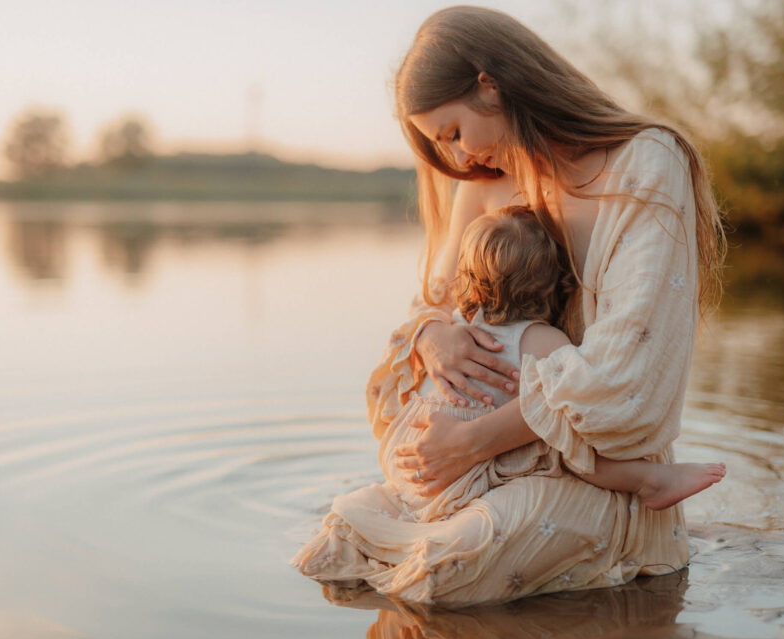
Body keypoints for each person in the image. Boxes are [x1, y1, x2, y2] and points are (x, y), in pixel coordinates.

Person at [292, 5, 728, 606]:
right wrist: (433, 338)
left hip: (592, 469)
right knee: (335, 550)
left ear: (489, 84)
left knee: (442, 573)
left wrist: (472, 442)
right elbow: (434, 307)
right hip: (470, 464)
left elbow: (625, 373)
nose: (459, 157)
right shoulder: (486, 185)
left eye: (451, 132)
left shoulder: (645, 164)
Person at [371, 205, 724, 525]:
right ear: (557, 283)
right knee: (567, 438)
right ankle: (651, 481)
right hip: (463, 470)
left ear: (471, 285)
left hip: (411, 456)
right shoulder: (541, 340)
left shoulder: (457, 328)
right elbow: (580, 403)